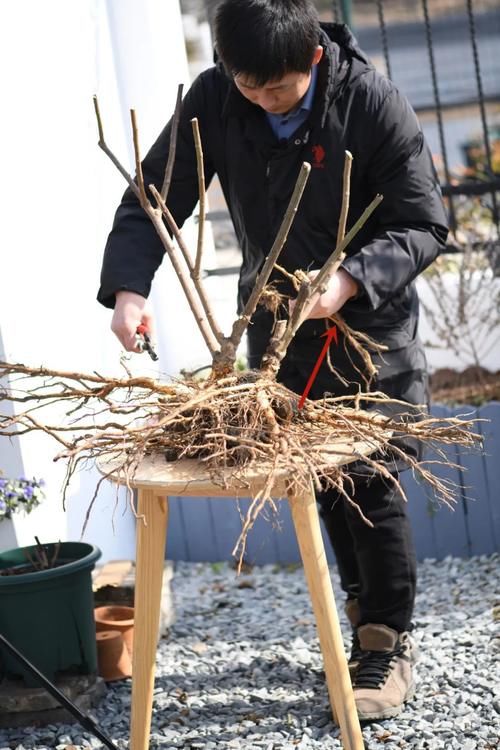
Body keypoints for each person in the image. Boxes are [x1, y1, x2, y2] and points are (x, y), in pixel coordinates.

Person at [98, 0, 448, 721]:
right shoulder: (216, 98)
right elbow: (155, 195)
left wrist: (349, 278)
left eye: (276, 90)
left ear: (314, 58)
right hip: (276, 328)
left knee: (365, 483)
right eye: (247, 87)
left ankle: (386, 643)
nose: (260, 101)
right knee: (314, 481)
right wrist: (129, 287)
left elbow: (425, 221)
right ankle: (357, 625)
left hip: (366, 331)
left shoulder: (370, 103)